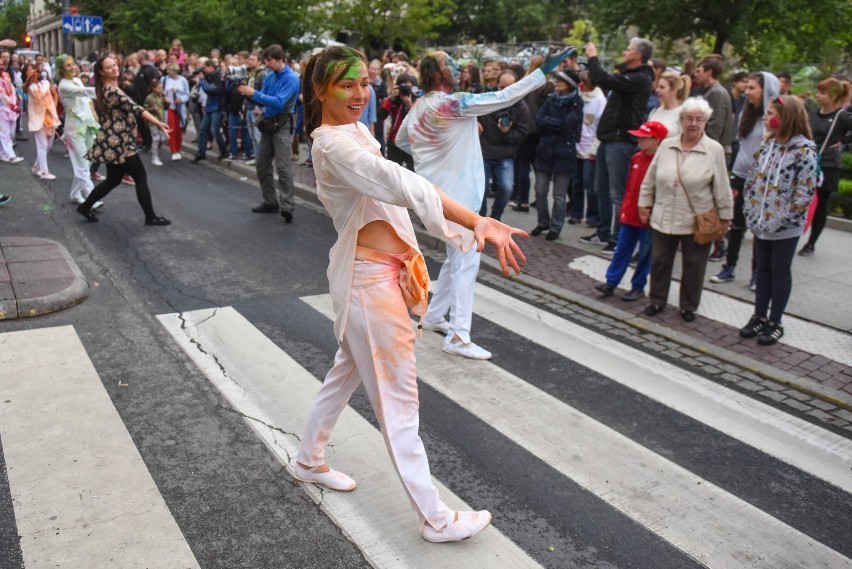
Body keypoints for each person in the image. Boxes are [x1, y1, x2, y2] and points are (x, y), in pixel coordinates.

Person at [293, 45, 526, 543]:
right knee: (399, 405)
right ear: (320, 90)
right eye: (345, 84)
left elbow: (393, 183)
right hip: (370, 285)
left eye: (363, 82)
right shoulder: (334, 145)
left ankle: (309, 459)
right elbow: (399, 181)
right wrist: (476, 220)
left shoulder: (353, 131)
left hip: (378, 278)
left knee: (343, 376)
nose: (360, 93)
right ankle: (436, 518)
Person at [396, 46, 574, 359]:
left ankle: (436, 316)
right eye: (449, 63)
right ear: (438, 74)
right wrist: (541, 73)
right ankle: (458, 337)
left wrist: (436, 150)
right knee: (466, 261)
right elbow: (503, 97)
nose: (458, 66)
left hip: (434, 198)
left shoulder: (421, 107)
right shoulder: (452, 104)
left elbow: (400, 139)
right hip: (458, 202)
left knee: (456, 259)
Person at [638, 98, 733, 321]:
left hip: (697, 217)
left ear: (705, 122)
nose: (693, 123)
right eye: (689, 118)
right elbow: (650, 176)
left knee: (694, 264)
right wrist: (644, 202)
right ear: (681, 121)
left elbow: (722, 186)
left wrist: (725, 216)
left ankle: (688, 305)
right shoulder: (667, 145)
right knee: (659, 260)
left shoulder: (714, 150)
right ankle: (656, 300)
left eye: (699, 119)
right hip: (664, 212)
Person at [739, 95, 818, 345]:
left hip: (785, 227)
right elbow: (752, 181)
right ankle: (759, 316)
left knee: (780, 271)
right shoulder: (766, 145)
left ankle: (775, 322)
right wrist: (751, 212)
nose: (765, 117)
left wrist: (781, 220)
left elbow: (804, 192)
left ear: (786, 118)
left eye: (771, 113)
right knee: (761, 269)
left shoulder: (804, 151)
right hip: (760, 224)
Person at [76, 56, 172, 226]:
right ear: (101, 72)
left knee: (113, 179)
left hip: (117, 139)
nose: (114, 68)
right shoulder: (111, 91)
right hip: (119, 142)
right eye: (109, 67)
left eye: (114, 65)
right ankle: (150, 216)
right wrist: (158, 122)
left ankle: (85, 207)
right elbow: (137, 109)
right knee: (140, 176)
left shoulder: (112, 87)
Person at [582, 39, 656, 255]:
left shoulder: (640, 78)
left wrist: (593, 56)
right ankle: (603, 232)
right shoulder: (630, 75)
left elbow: (600, 79)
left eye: (629, 49)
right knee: (600, 189)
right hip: (608, 139)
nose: (625, 51)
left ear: (638, 56)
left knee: (616, 193)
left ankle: (617, 238)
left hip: (621, 141)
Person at [710, 72, 781, 288]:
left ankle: (757, 272)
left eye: (752, 88)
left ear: (766, 90)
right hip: (741, 175)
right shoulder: (746, 112)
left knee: (759, 228)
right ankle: (729, 266)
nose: (747, 91)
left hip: (763, 180)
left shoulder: (776, 117)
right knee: (736, 224)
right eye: (747, 87)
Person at [595, 121, 668, 301]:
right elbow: (629, 188)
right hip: (630, 215)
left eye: (644, 138)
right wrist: (625, 209)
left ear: (656, 140)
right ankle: (611, 281)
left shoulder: (662, 163)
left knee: (644, 254)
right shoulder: (636, 158)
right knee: (622, 249)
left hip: (647, 217)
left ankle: (638, 286)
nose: (639, 140)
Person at [238, 44, 300, 220]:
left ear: (279, 59)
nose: (267, 64)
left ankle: (287, 206)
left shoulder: (292, 78)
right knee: (262, 164)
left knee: (283, 167)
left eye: (269, 60)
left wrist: (253, 93)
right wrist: (248, 94)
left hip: (282, 123)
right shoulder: (270, 76)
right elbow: (263, 97)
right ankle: (271, 201)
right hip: (268, 123)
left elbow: (279, 102)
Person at [800, 78, 852, 255]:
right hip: (808, 162)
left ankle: (811, 242)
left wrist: (843, 141)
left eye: (823, 93)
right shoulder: (813, 113)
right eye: (819, 92)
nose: (818, 95)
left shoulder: (841, 116)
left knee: (821, 204)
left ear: (834, 96)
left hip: (827, 165)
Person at [529, 70, 582, 240]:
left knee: (559, 195)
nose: (556, 83)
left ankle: (556, 226)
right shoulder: (551, 98)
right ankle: (543, 221)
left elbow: (568, 124)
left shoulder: (576, 103)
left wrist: (550, 122)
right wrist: (555, 124)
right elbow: (539, 120)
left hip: (564, 152)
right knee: (540, 190)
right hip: (545, 150)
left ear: (570, 84)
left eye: (561, 81)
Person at [479, 70, 530, 221]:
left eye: (508, 87)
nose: (504, 91)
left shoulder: (521, 107)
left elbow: (522, 133)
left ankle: (495, 217)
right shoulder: (488, 99)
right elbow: (472, 112)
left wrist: (506, 132)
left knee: (507, 188)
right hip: (485, 152)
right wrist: (475, 122)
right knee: (480, 188)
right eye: (501, 87)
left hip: (505, 154)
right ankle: (480, 219)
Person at [55, 54, 102, 207]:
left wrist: (94, 117)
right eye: (68, 66)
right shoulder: (63, 85)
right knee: (82, 162)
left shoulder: (77, 80)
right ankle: (91, 197)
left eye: (73, 64)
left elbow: (87, 100)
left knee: (87, 162)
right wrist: (105, 89)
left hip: (87, 125)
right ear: (61, 69)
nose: (73, 67)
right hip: (74, 129)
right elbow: (84, 93)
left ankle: (76, 193)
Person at [575, 71, 606, 225]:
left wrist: (594, 149)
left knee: (590, 184)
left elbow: (599, 126)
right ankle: (577, 213)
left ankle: (593, 216)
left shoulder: (599, 100)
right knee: (576, 182)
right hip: (577, 146)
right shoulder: (580, 98)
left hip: (590, 148)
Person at [25, 63, 59, 180]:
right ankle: (44, 172)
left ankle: (36, 166)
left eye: (33, 71)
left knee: (49, 145)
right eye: (29, 71)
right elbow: (30, 91)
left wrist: (53, 106)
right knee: (42, 145)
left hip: (50, 118)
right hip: (38, 119)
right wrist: (30, 78)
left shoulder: (45, 83)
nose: (32, 73)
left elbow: (54, 94)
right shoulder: (30, 87)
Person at [191, 59, 228, 162]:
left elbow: (211, 89)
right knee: (203, 129)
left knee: (214, 130)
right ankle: (201, 152)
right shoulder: (210, 75)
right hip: (210, 106)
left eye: (205, 67)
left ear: (210, 66)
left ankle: (224, 150)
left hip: (217, 106)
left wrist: (202, 80)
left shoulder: (218, 75)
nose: (204, 70)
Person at [379, 73, 418, 169]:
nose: (406, 90)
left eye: (409, 87)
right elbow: (380, 116)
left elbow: (417, 121)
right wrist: (390, 99)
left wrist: (409, 106)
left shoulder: (417, 101)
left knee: (412, 175)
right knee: (393, 174)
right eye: (403, 87)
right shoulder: (394, 100)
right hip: (394, 142)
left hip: (412, 144)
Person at [648, 71, 690, 138]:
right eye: (657, 86)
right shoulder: (654, 111)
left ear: (674, 90)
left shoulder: (684, 114)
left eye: (662, 87)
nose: (657, 90)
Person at [0, 49, 24, 165]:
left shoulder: (8, 72)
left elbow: (11, 88)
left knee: (10, 132)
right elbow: (2, 94)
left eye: (7, 57)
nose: (5, 59)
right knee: (5, 132)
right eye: (2, 57)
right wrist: (11, 105)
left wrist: (17, 98)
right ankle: (10, 155)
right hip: (3, 107)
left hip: (10, 106)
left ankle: (3, 153)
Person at [162, 63, 189, 161]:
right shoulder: (165, 79)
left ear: (175, 70)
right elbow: (160, 91)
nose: (168, 71)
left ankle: (178, 149)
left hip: (179, 108)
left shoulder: (183, 80)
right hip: (169, 108)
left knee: (179, 130)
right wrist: (164, 97)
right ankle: (173, 151)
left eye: (170, 70)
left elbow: (187, 94)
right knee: (171, 129)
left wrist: (181, 99)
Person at [144, 78, 167, 166]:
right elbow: (144, 109)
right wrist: (152, 109)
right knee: (156, 138)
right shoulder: (149, 97)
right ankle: (154, 157)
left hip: (161, 119)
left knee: (162, 138)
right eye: (158, 88)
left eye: (161, 88)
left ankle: (155, 150)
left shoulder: (161, 96)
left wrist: (166, 100)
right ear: (153, 88)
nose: (160, 90)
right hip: (153, 120)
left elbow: (165, 107)